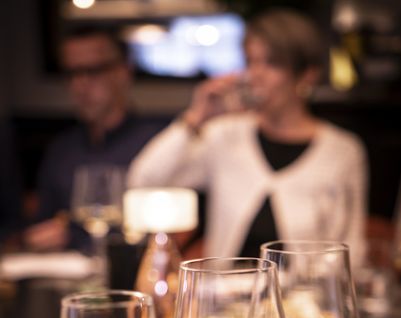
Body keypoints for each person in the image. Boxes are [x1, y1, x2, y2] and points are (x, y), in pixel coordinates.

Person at [127, 8, 368, 266]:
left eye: (272, 63)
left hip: (302, 292)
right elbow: (144, 181)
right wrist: (196, 118)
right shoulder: (225, 134)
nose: (255, 75)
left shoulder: (342, 151)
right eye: (251, 62)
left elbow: (351, 249)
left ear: (307, 74)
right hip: (222, 289)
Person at [23, 25, 165, 251]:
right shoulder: (62, 150)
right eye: (72, 73)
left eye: (93, 71)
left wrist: (74, 236)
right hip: (68, 270)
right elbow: (42, 223)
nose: (80, 85)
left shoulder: (158, 144)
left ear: (124, 72)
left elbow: (165, 233)